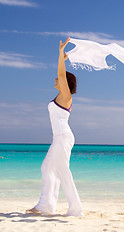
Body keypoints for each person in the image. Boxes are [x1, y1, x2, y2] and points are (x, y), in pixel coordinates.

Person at [27, 37, 83, 216]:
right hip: (59, 138)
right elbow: (59, 76)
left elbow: (60, 74)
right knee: (47, 168)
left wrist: (60, 54)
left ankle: (75, 209)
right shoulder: (60, 97)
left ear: (65, 83)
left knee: (63, 172)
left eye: (59, 79)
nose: (55, 79)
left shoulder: (66, 97)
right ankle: (46, 205)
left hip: (63, 137)